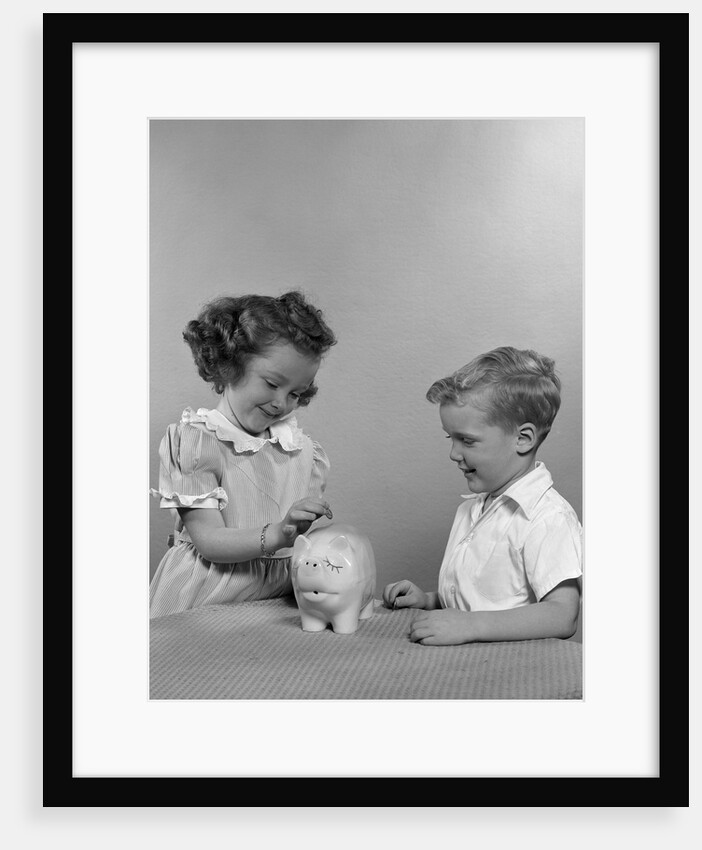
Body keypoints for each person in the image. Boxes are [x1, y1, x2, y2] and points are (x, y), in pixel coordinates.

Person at [149, 291, 336, 618]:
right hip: (210, 596)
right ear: (229, 366)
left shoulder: (302, 448)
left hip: (277, 598)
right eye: (271, 383)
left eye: (296, 393)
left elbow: (300, 537)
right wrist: (279, 533)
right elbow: (210, 541)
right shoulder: (196, 443)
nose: (281, 403)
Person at [383, 346, 582, 645]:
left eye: (467, 441)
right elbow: (483, 598)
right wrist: (428, 600)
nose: (453, 453)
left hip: (514, 673)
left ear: (523, 439)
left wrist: (470, 625)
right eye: (451, 438)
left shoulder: (548, 517)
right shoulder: (473, 510)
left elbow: (561, 614)